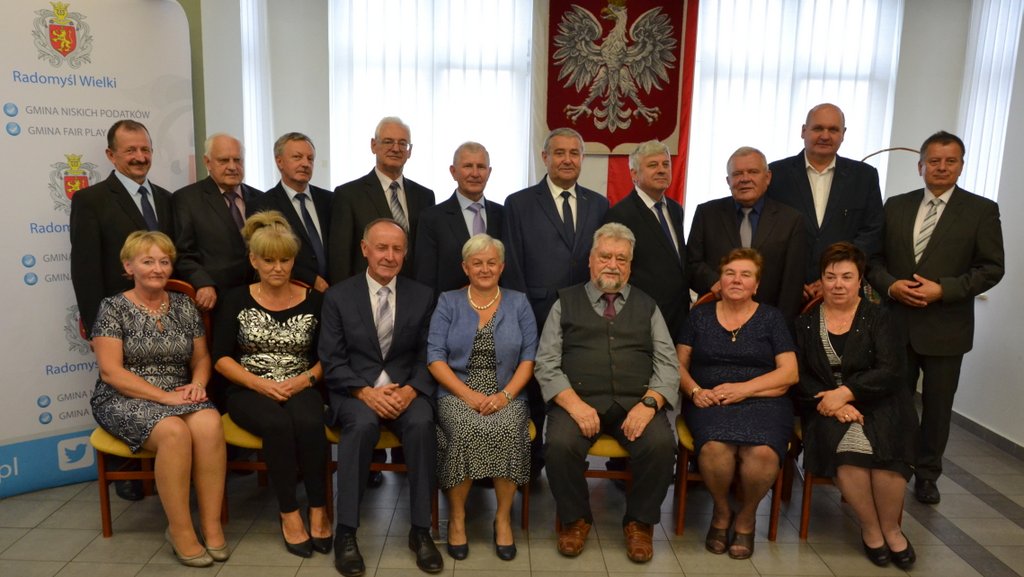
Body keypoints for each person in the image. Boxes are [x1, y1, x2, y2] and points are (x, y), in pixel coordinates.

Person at [867, 131, 1004, 505]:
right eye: (934, 161)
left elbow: (991, 268)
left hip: (947, 329)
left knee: (938, 408)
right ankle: (894, 466)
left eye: (950, 161)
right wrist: (891, 286)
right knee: (892, 402)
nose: (942, 168)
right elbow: (873, 261)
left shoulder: (981, 210)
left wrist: (943, 289)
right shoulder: (896, 205)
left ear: (961, 166)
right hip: (896, 324)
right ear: (921, 166)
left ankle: (927, 475)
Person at [535, 223, 678, 564]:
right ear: (590, 260)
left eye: (621, 259)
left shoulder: (648, 306)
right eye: (605, 256)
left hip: (636, 402)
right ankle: (575, 520)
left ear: (630, 265)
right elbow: (546, 363)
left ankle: (640, 523)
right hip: (576, 402)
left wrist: (650, 403)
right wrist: (574, 405)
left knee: (661, 445)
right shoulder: (564, 303)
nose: (612, 265)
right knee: (559, 445)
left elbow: (668, 364)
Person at [89, 231, 226, 567]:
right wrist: (163, 398)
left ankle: (211, 526)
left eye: (164, 261)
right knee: (174, 433)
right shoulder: (112, 308)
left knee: (209, 423)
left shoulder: (184, 305)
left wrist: (197, 384)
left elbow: (201, 357)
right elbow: (111, 372)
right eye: (148, 261)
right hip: (122, 396)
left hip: (178, 391)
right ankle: (180, 530)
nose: (157, 268)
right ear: (129, 267)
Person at [319, 219, 442, 576]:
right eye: (382, 247)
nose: (389, 256)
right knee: (360, 427)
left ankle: (421, 530)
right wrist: (364, 392)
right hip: (355, 391)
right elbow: (332, 359)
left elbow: (429, 354)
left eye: (397, 249)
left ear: (406, 253)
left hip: (407, 390)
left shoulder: (423, 296)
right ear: (365, 249)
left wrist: (410, 390)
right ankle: (346, 533)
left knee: (422, 424)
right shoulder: (338, 297)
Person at [212, 212, 330, 558]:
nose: (277, 268)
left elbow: (329, 357)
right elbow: (220, 357)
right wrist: (260, 385)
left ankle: (319, 508)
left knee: (309, 421)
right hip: (248, 389)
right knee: (277, 425)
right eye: (268, 260)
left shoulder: (316, 300)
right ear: (254, 260)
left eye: (285, 260)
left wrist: (304, 380)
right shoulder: (235, 298)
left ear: (293, 260)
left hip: (302, 384)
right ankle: (289, 512)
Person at [70, 119, 175, 502]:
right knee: (125, 391)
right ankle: (130, 471)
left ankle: (167, 465)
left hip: (165, 318)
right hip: (118, 322)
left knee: (163, 387)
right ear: (111, 155)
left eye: (145, 149)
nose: (140, 157)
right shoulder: (90, 200)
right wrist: (97, 325)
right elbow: (85, 269)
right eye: (130, 150)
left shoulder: (167, 199)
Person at [796, 242, 917, 569]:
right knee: (849, 452)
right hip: (825, 406)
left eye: (846, 277)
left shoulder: (880, 318)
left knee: (888, 451)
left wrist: (847, 392)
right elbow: (800, 375)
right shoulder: (805, 323)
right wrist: (833, 402)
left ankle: (892, 529)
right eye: (830, 277)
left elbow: (891, 370)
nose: (838, 285)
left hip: (881, 400)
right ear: (821, 280)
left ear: (860, 280)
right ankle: (871, 528)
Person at [677, 248, 798, 560]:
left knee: (763, 453)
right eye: (730, 273)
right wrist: (694, 391)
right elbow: (677, 364)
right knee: (715, 448)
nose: (736, 280)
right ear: (720, 280)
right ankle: (721, 512)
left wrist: (744, 390)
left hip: (764, 401)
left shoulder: (772, 318)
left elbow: (789, 373)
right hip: (710, 400)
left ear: (756, 285)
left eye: (746, 275)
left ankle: (746, 516)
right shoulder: (699, 316)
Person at [503, 127, 609, 478]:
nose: (567, 159)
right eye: (559, 152)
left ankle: (571, 463)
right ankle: (529, 465)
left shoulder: (599, 204)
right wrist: (519, 315)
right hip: (534, 312)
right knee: (533, 390)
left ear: (582, 159)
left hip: (585, 315)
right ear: (544, 157)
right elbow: (513, 264)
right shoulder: (519, 203)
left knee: (577, 386)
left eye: (574, 153)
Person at [427, 234, 536, 561]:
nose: (485, 269)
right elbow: (434, 357)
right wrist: (468, 395)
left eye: (491, 263)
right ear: (465, 267)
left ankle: (502, 519)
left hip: (508, 393)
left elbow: (529, 358)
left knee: (508, 430)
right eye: (477, 263)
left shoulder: (519, 302)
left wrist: (505, 396)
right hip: (457, 392)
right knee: (465, 430)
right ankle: (457, 518)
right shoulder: (448, 302)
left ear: (502, 267)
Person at [766, 103, 884, 299]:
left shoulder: (864, 176)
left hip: (843, 291)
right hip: (785, 291)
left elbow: (872, 231)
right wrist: (791, 280)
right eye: (818, 128)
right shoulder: (776, 174)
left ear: (843, 134)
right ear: (803, 131)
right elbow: (766, 233)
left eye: (833, 130)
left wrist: (832, 278)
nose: (825, 136)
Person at [687, 146, 806, 323]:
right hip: (715, 318)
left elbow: (792, 283)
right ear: (728, 180)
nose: (745, 179)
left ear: (767, 177)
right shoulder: (707, 214)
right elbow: (691, 262)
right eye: (737, 174)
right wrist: (714, 281)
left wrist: (780, 326)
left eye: (753, 172)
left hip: (768, 321)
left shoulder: (791, 220)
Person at [329, 116, 436, 284]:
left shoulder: (425, 196)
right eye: (388, 142)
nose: (396, 148)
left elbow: (426, 254)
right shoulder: (348, 194)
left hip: (414, 291)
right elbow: (340, 258)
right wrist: (345, 296)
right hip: (365, 291)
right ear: (373, 145)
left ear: (410, 151)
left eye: (403, 143)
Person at [604, 140, 689, 338]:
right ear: (634, 174)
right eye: (653, 165)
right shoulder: (620, 214)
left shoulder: (675, 209)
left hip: (679, 316)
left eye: (665, 164)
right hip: (642, 317)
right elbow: (616, 271)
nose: (661, 170)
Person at [173, 133, 263, 314]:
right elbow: (183, 253)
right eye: (223, 160)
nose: (232, 167)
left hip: (260, 296)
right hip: (216, 299)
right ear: (207, 162)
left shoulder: (260, 198)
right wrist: (202, 283)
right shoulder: (187, 199)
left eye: (237, 160)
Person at [414, 142, 504, 294]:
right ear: (453, 171)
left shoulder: (504, 215)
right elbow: (425, 278)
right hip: (449, 307)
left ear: (489, 172)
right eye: (468, 166)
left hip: (498, 305)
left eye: (481, 167)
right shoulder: (432, 218)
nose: (475, 173)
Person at [247, 132, 333, 292]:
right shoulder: (263, 205)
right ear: (279, 161)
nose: (305, 164)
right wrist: (311, 279)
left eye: (310, 159)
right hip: (291, 291)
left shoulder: (330, 199)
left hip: (334, 291)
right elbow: (266, 254)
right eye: (297, 157)